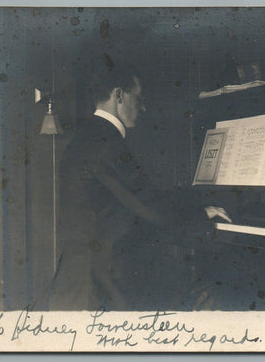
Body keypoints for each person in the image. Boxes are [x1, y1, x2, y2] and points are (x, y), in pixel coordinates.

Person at [49, 54, 230, 311]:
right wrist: (201, 212)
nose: (143, 108)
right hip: (97, 289)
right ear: (119, 95)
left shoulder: (86, 137)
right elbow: (152, 208)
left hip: (77, 279)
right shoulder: (108, 143)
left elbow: (132, 201)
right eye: (139, 98)